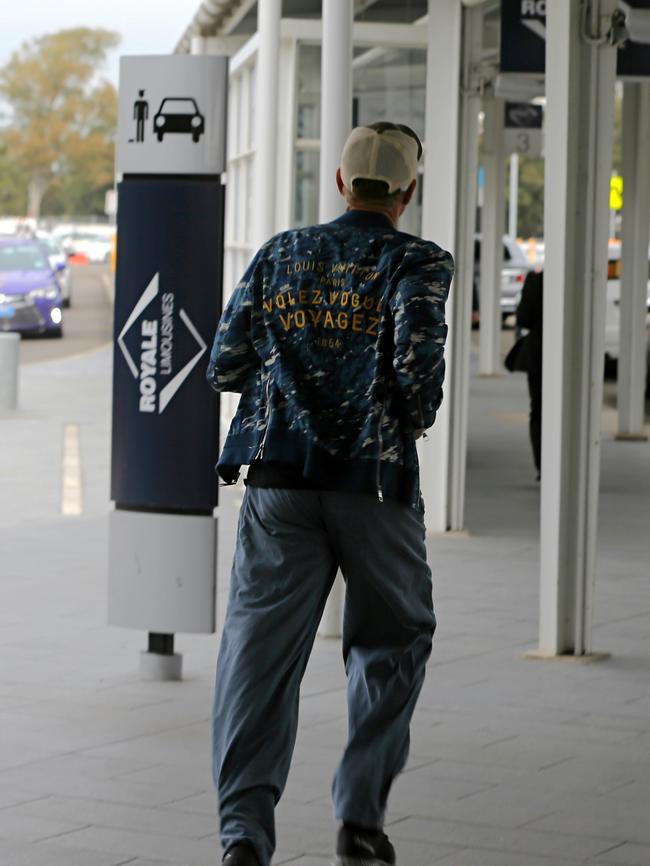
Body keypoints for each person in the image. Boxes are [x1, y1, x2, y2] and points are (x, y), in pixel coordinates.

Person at [206, 121, 454, 866]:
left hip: (279, 483)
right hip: (375, 486)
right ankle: (358, 819)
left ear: (342, 184)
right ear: (407, 193)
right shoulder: (417, 261)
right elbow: (419, 376)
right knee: (393, 639)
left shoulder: (281, 253)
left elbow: (225, 362)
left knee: (258, 655)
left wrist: (291, 385)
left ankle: (244, 837)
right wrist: (395, 415)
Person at [514, 269, 543, 478]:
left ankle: (543, 465)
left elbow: (523, 318)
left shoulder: (536, 280)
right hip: (572, 355)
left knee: (539, 409)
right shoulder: (579, 280)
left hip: (539, 353)